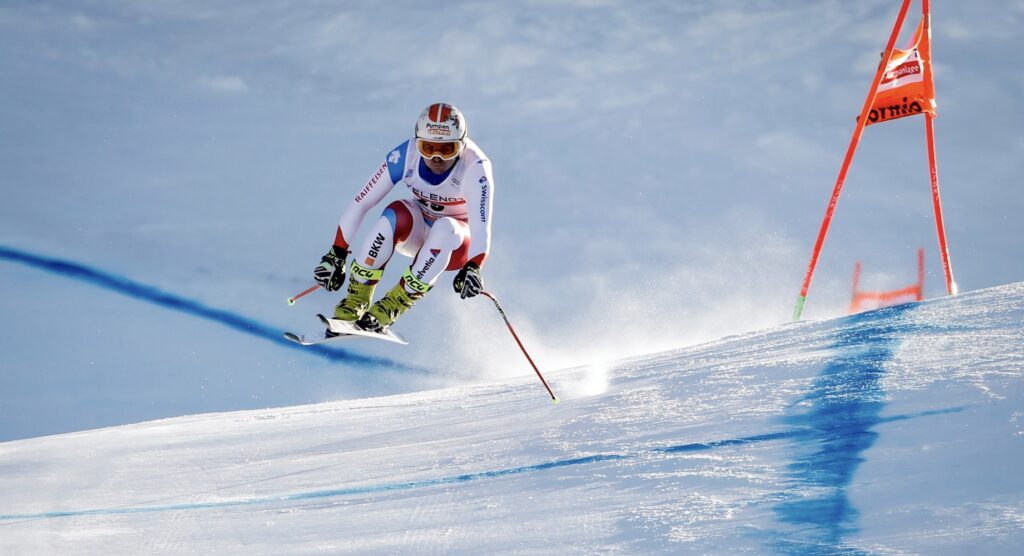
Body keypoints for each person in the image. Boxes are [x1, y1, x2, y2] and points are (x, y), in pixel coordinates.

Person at [312, 102, 494, 333]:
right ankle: (355, 301)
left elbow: (482, 226)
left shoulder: (476, 168)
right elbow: (362, 202)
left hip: (455, 246)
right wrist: (336, 253)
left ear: (462, 145)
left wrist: (474, 266)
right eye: (428, 148)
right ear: (417, 143)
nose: (436, 158)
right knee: (395, 213)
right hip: (416, 233)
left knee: (446, 227)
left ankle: (392, 305)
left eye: (447, 149)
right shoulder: (405, 155)